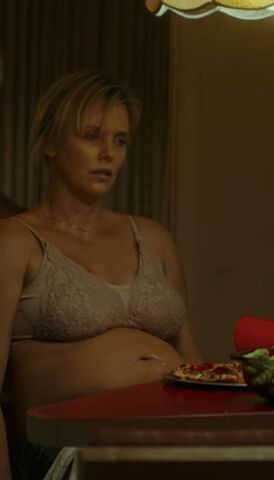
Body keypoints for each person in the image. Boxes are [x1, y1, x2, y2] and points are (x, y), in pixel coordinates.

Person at [0, 70, 203, 480]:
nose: (108, 153)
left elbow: (193, 362)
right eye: (92, 136)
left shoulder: (153, 238)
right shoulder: (15, 241)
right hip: (73, 447)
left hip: (174, 436)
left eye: (120, 140)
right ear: (51, 143)